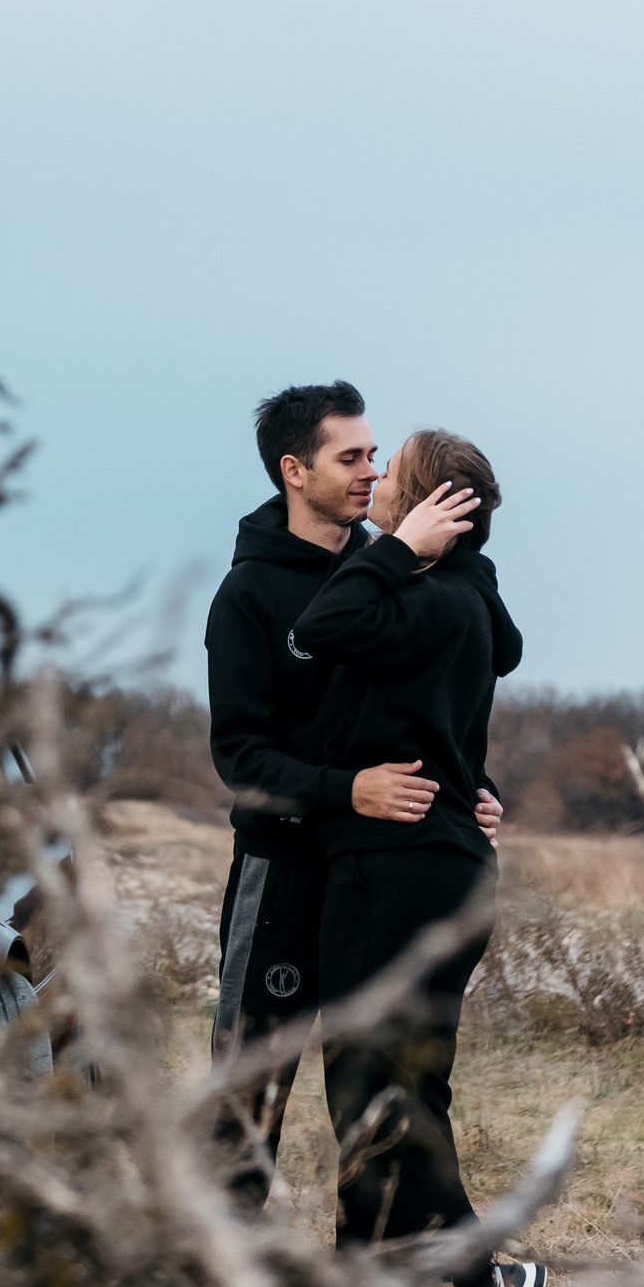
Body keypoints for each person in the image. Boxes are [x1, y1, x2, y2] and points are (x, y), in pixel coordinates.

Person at [203, 384, 504, 1209]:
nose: (371, 470)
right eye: (350, 457)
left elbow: (425, 706)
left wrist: (473, 789)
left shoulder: (391, 568)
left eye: (375, 455)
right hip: (282, 868)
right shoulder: (249, 594)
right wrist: (348, 789)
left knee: (372, 1081)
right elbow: (240, 757)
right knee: (250, 1081)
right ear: (294, 471)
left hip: (372, 873)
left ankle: (387, 1256)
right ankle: (220, 1262)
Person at [291, 427, 548, 1287]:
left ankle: (490, 1282)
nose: (377, 482)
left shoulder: (427, 598)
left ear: (432, 504)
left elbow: (318, 626)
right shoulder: (464, 598)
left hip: (395, 870)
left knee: (372, 1089)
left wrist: (398, 548)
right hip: (445, 867)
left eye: (392, 472)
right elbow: (461, 698)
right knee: (405, 1088)